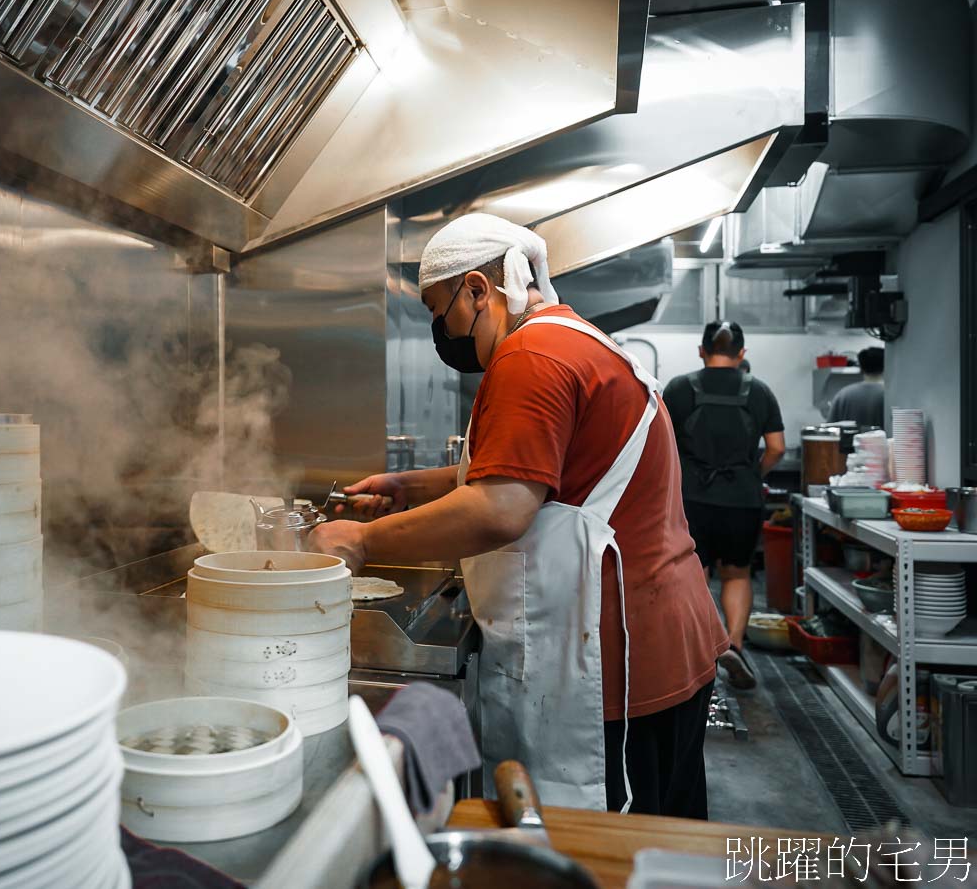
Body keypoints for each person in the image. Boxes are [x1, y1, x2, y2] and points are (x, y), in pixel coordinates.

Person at [308, 213, 728, 818]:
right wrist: (409, 486)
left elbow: (502, 508)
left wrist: (361, 539)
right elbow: (538, 477)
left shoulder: (530, 355)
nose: (439, 328)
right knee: (667, 846)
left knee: (617, 852)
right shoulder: (570, 337)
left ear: (479, 290)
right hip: (665, 633)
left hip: (624, 654)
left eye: (439, 309)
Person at [663, 323, 785, 690]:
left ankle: (700, 648)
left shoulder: (681, 388)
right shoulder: (759, 390)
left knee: (692, 572)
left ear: (701, 350)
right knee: (737, 573)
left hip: (692, 500)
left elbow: (660, 442)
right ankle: (734, 642)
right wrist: (751, 473)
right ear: (742, 354)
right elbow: (777, 447)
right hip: (742, 500)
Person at [827, 347, 885, 428]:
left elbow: (830, 427)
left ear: (861, 368)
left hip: (849, 440)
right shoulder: (889, 394)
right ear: (885, 366)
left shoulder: (844, 394)